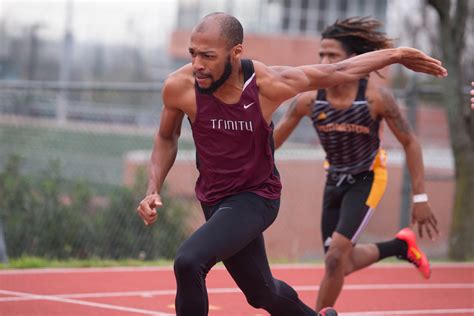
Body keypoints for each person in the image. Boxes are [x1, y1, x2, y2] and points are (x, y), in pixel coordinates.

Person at [135, 12, 446, 316]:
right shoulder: (180, 86)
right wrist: (153, 188)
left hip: (256, 197)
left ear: (236, 52)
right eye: (193, 54)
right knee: (262, 293)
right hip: (214, 198)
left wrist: (397, 54)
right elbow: (166, 138)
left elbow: (337, 72)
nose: (197, 65)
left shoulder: (267, 85)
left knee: (189, 261)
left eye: (208, 56)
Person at [273, 17, 441, 311]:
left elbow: (411, 143)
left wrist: (420, 196)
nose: (324, 62)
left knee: (335, 258)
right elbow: (271, 143)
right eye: (321, 55)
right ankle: (400, 246)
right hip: (333, 179)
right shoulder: (309, 100)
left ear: (353, 60)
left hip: (367, 179)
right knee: (340, 263)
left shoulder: (376, 98)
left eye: (332, 56)